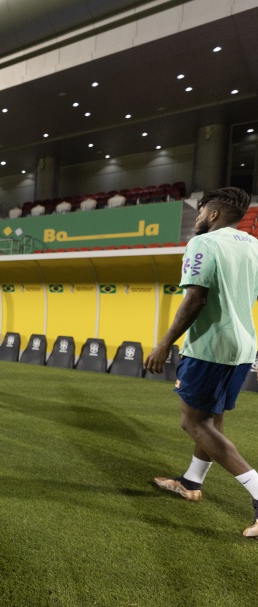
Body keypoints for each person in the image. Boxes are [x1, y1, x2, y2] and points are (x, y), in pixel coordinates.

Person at [144, 187, 258, 537]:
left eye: (200, 210)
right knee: (212, 420)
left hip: (210, 347)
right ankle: (191, 482)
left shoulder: (203, 244)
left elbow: (195, 298)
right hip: (243, 347)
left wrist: (164, 343)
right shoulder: (253, 245)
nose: (196, 216)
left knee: (194, 424)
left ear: (212, 214)